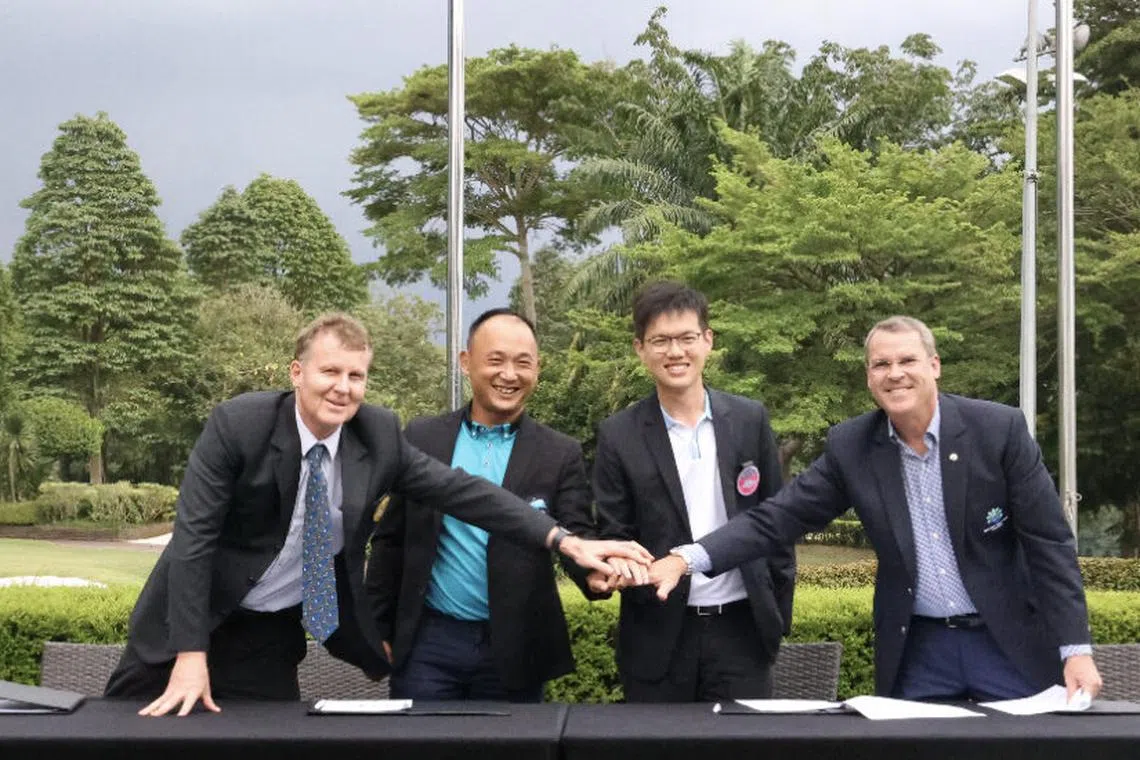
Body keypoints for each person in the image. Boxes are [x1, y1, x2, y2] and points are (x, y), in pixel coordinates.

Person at [104, 312, 651, 716]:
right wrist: (191, 653)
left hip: (267, 640)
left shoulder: (378, 436)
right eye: (330, 372)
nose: (342, 388)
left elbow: (465, 493)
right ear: (297, 372)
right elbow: (194, 541)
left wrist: (566, 541)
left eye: (356, 376)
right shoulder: (239, 424)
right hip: (183, 627)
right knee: (127, 741)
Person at [651, 315, 1102, 702]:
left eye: (907, 361)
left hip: (1005, 641)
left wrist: (1075, 649)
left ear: (934, 366)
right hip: (920, 650)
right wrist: (686, 559)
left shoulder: (998, 430)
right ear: (869, 377)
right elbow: (777, 518)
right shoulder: (852, 446)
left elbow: (1049, 545)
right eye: (881, 364)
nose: (895, 374)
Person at [366, 308, 597, 702]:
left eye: (523, 363)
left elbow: (576, 534)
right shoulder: (423, 437)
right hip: (429, 644)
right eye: (496, 360)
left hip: (516, 646)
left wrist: (594, 575)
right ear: (465, 362)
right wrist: (378, 625)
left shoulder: (559, 453)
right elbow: (391, 540)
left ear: (538, 368)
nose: (509, 374)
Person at [590, 281, 796, 702]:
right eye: (660, 341)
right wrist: (617, 566)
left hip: (742, 631)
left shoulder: (749, 419)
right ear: (640, 348)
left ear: (707, 340)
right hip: (658, 634)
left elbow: (777, 521)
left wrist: (777, 616)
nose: (675, 352)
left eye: (686, 338)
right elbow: (613, 531)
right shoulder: (618, 435)